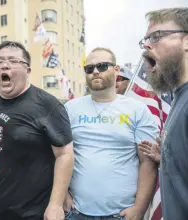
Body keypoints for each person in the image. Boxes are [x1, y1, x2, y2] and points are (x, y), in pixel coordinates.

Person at [0, 41, 74, 220]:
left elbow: (65, 154)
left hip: (29, 211)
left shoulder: (47, 105)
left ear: (27, 71)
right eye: (0, 61)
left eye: (13, 61)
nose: (5, 64)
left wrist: (56, 204)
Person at [64, 47, 159, 220]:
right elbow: (59, 156)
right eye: (89, 68)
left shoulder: (137, 109)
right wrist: (64, 196)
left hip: (121, 214)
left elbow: (148, 162)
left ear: (116, 70)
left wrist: (139, 208)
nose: (95, 72)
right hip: (76, 212)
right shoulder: (70, 108)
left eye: (102, 66)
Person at [138, 7, 188, 219]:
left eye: (157, 36)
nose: (147, 44)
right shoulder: (179, 98)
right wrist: (168, 157)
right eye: (146, 39)